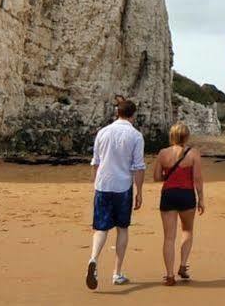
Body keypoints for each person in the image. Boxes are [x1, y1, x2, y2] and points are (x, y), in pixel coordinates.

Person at [87, 97, 145, 289]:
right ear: (133, 115)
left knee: (101, 228)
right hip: (122, 187)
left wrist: (96, 183)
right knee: (122, 228)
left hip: (103, 185)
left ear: (117, 113)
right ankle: (117, 272)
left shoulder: (102, 132)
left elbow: (95, 161)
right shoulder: (136, 136)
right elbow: (138, 167)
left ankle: (93, 259)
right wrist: (139, 192)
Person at [153, 121, 206, 285]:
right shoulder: (193, 154)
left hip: (168, 194)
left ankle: (169, 275)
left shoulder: (163, 153)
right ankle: (183, 265)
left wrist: (169, 177)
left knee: (169, 237)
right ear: (187, 136)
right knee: (187, 230)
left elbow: (156, 177)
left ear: (172, 136)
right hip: (186, 195)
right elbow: (197, 179)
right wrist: (201, 199)